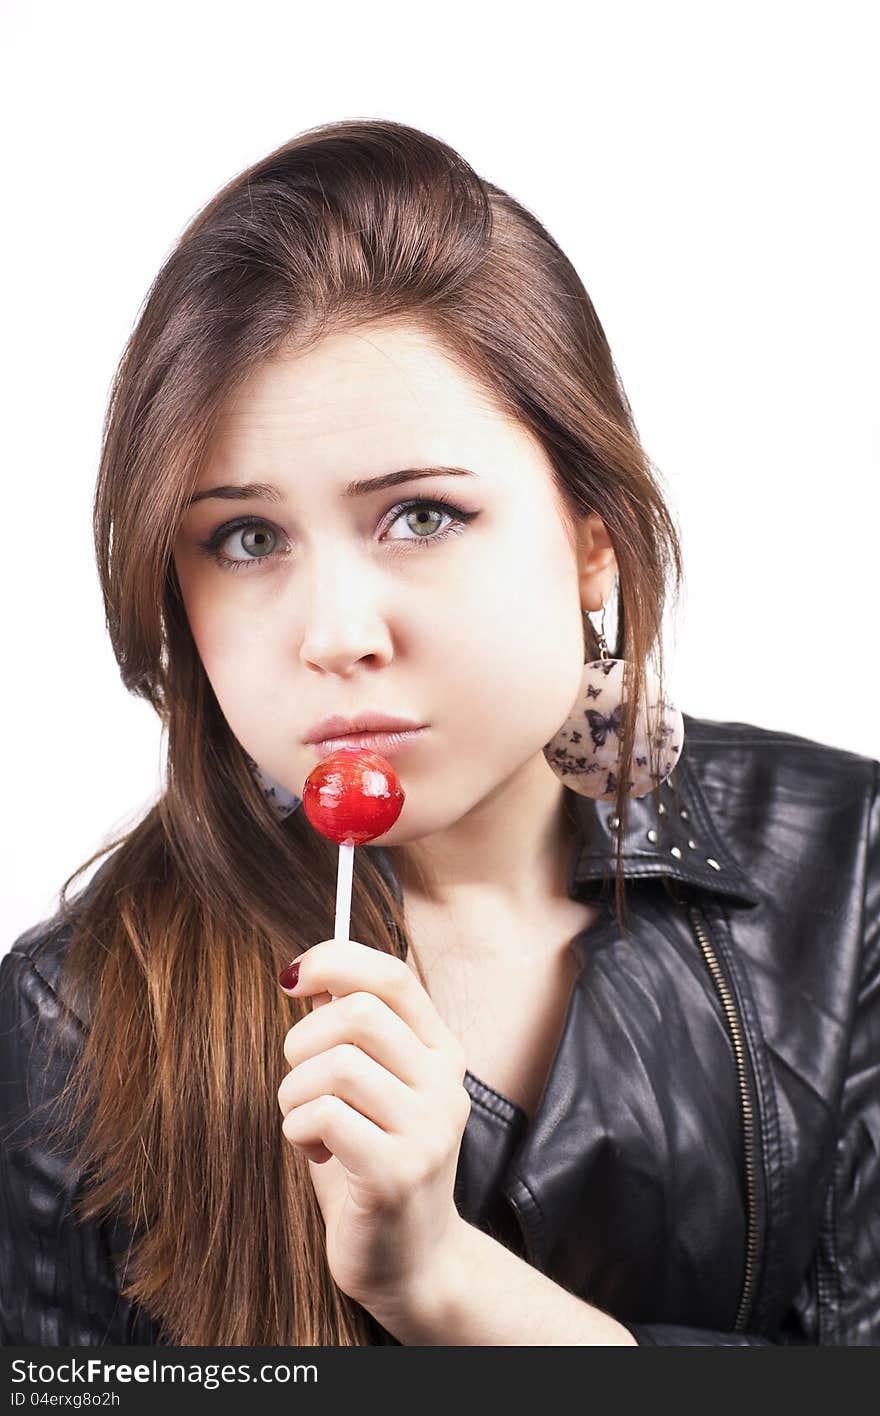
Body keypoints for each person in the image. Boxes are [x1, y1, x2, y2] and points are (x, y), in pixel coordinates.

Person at [1, 118, 877, 1349]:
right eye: (245, 539)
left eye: (419, 514)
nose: (334, 634)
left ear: (592, 538)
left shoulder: (848, 873)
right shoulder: (72, 1021)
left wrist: (445, 1290)